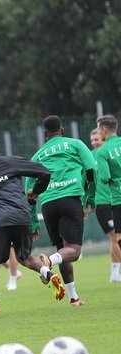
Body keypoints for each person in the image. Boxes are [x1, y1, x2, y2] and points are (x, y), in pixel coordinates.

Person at [0, 134, 62, 319]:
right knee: (24, 257)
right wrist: (35, 192)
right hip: (22, 216)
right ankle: (48, 272)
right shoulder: (10, 162)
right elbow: (44, 173)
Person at [26, 115, 95, 307]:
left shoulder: (37, 156)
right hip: (70, 199)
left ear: (45, 134)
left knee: (63, 250)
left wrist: (33, 222)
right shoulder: (75, 144)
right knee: (73, 251)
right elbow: (91, 169)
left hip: (48, 205)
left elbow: (28, 191)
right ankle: (49, 260)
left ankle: (73, 297)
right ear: (62, 130)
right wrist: (91, 197)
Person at [88, 124, 121, 282]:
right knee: (115, 236)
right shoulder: (90, 156)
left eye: (96, 139)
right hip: (103, 202)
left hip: (115, 199)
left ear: (103, 135)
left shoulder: (110, 151)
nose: (94, 142)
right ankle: (115, 273)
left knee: (114, 238)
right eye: (92, 140)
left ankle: (114, 273)